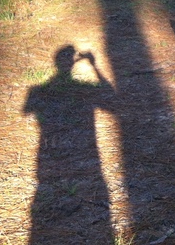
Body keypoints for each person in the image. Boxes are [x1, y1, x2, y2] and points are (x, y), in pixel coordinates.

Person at [24, 45, 115, 243]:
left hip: (47, 160)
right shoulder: (79, 89)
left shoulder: (37, 90)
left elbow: (27, 111)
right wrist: (95, 67)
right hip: (87, 158)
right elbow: (112, 103)